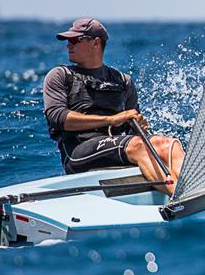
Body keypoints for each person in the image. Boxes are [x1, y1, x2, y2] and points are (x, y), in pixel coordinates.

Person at [42, 18, 183, 196]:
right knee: (138, 147)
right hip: (78, 150)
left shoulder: (123, 81)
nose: (68, 45)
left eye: (75, 40)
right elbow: (58, 118)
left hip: (116, 147)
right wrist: (111, 119)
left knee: (168, 144)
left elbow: (133, 134)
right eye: (67, 41)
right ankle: (179, 197)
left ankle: (193, 192)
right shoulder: (60, 75)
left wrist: (138, 125)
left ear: (95, 43)